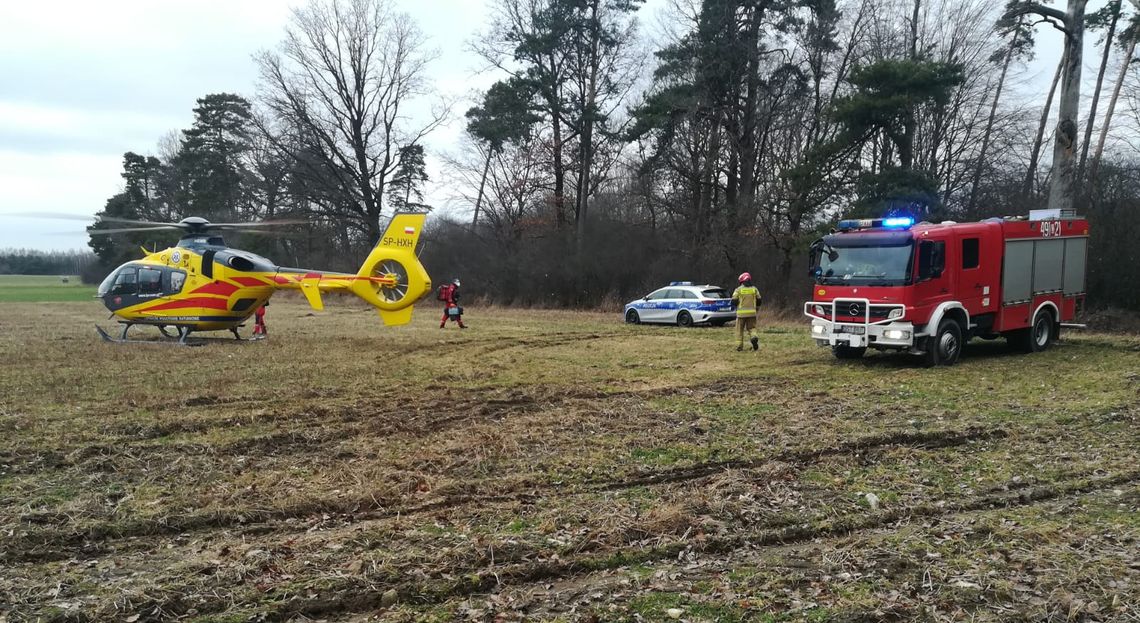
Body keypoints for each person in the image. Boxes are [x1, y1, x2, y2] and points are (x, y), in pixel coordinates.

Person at [731, 272, 761, 351]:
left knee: (739, 330)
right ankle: (754, 337)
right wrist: (756, 308)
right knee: (752, 328)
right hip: (752, 314)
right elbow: (759, 300)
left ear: (741, 281)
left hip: (741, 315)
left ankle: (739, 347)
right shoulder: (754, 289)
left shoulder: (738, 290)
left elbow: (733, 301)